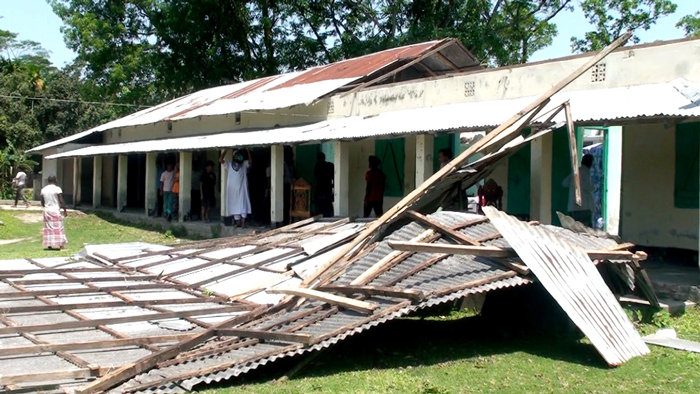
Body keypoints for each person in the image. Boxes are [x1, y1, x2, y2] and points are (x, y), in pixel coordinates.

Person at [220, 148, 252, 228]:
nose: (237, 157)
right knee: (234, 204)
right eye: (236, 155)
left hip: (242, 188)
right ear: (233, 156)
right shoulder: (229, 164)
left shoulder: (244, 164)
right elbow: (220, 160)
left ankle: (243, 222)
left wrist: (248, 151)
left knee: (243, 204)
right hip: (232, 189)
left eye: (239, 155)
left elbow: (250, 161)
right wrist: (226, 151)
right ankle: (237, 222)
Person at [562, 154, 595, 226]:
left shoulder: (576, 171)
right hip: (584, 208)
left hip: (573, 208)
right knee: (585, 230)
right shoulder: (585, 171)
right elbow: (588, 188)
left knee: (574, 230)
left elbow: (564, 183)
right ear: (590, 163)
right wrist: (595, 188)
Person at [40, 175, 68, 250]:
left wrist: (45, 207)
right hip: (55, 210)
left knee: (48, 228)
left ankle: (49, 245)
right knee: (59, 227)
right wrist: (65, 210)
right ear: (55, 180)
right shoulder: (57, 189)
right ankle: (61, 246)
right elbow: (61, 200)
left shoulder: (43, 189)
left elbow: (42, 202)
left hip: (47, 210)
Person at [314, 152, 334, 217]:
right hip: (327, 190)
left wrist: (315, 191)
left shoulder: (317, 166)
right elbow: (333, 178)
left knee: (320, 210)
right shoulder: (330, 166)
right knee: (328, 210)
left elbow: (316, 180)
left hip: (320, 191)